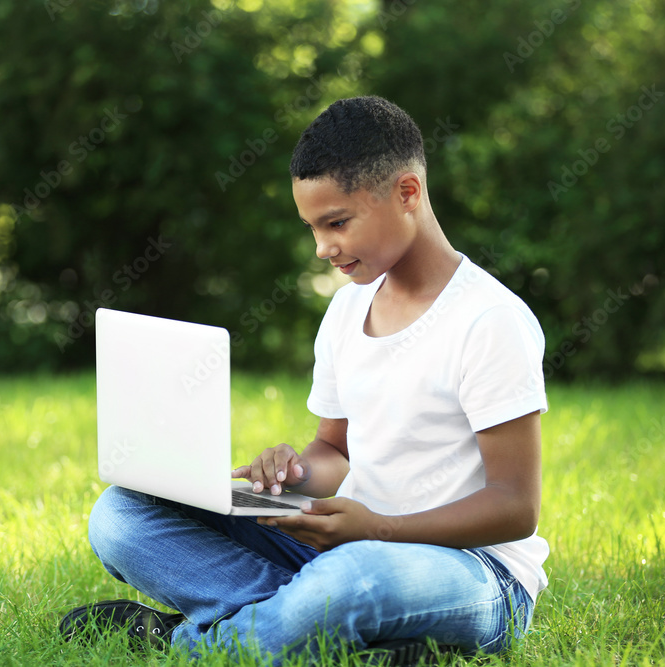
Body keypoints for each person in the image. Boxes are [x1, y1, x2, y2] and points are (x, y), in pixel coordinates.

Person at [62, 95, 549, 665]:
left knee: (354, 580)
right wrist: (292, 474)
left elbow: (515, 506)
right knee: (120, 514)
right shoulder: (347, 311)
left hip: (472, 573)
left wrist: (382, 530)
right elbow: (334, 450)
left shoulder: (491, 321)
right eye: (312, 228)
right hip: (349, 542)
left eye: (337, 223)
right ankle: (345, 638)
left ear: (408, 193)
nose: (322, 248)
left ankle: (184, 644)